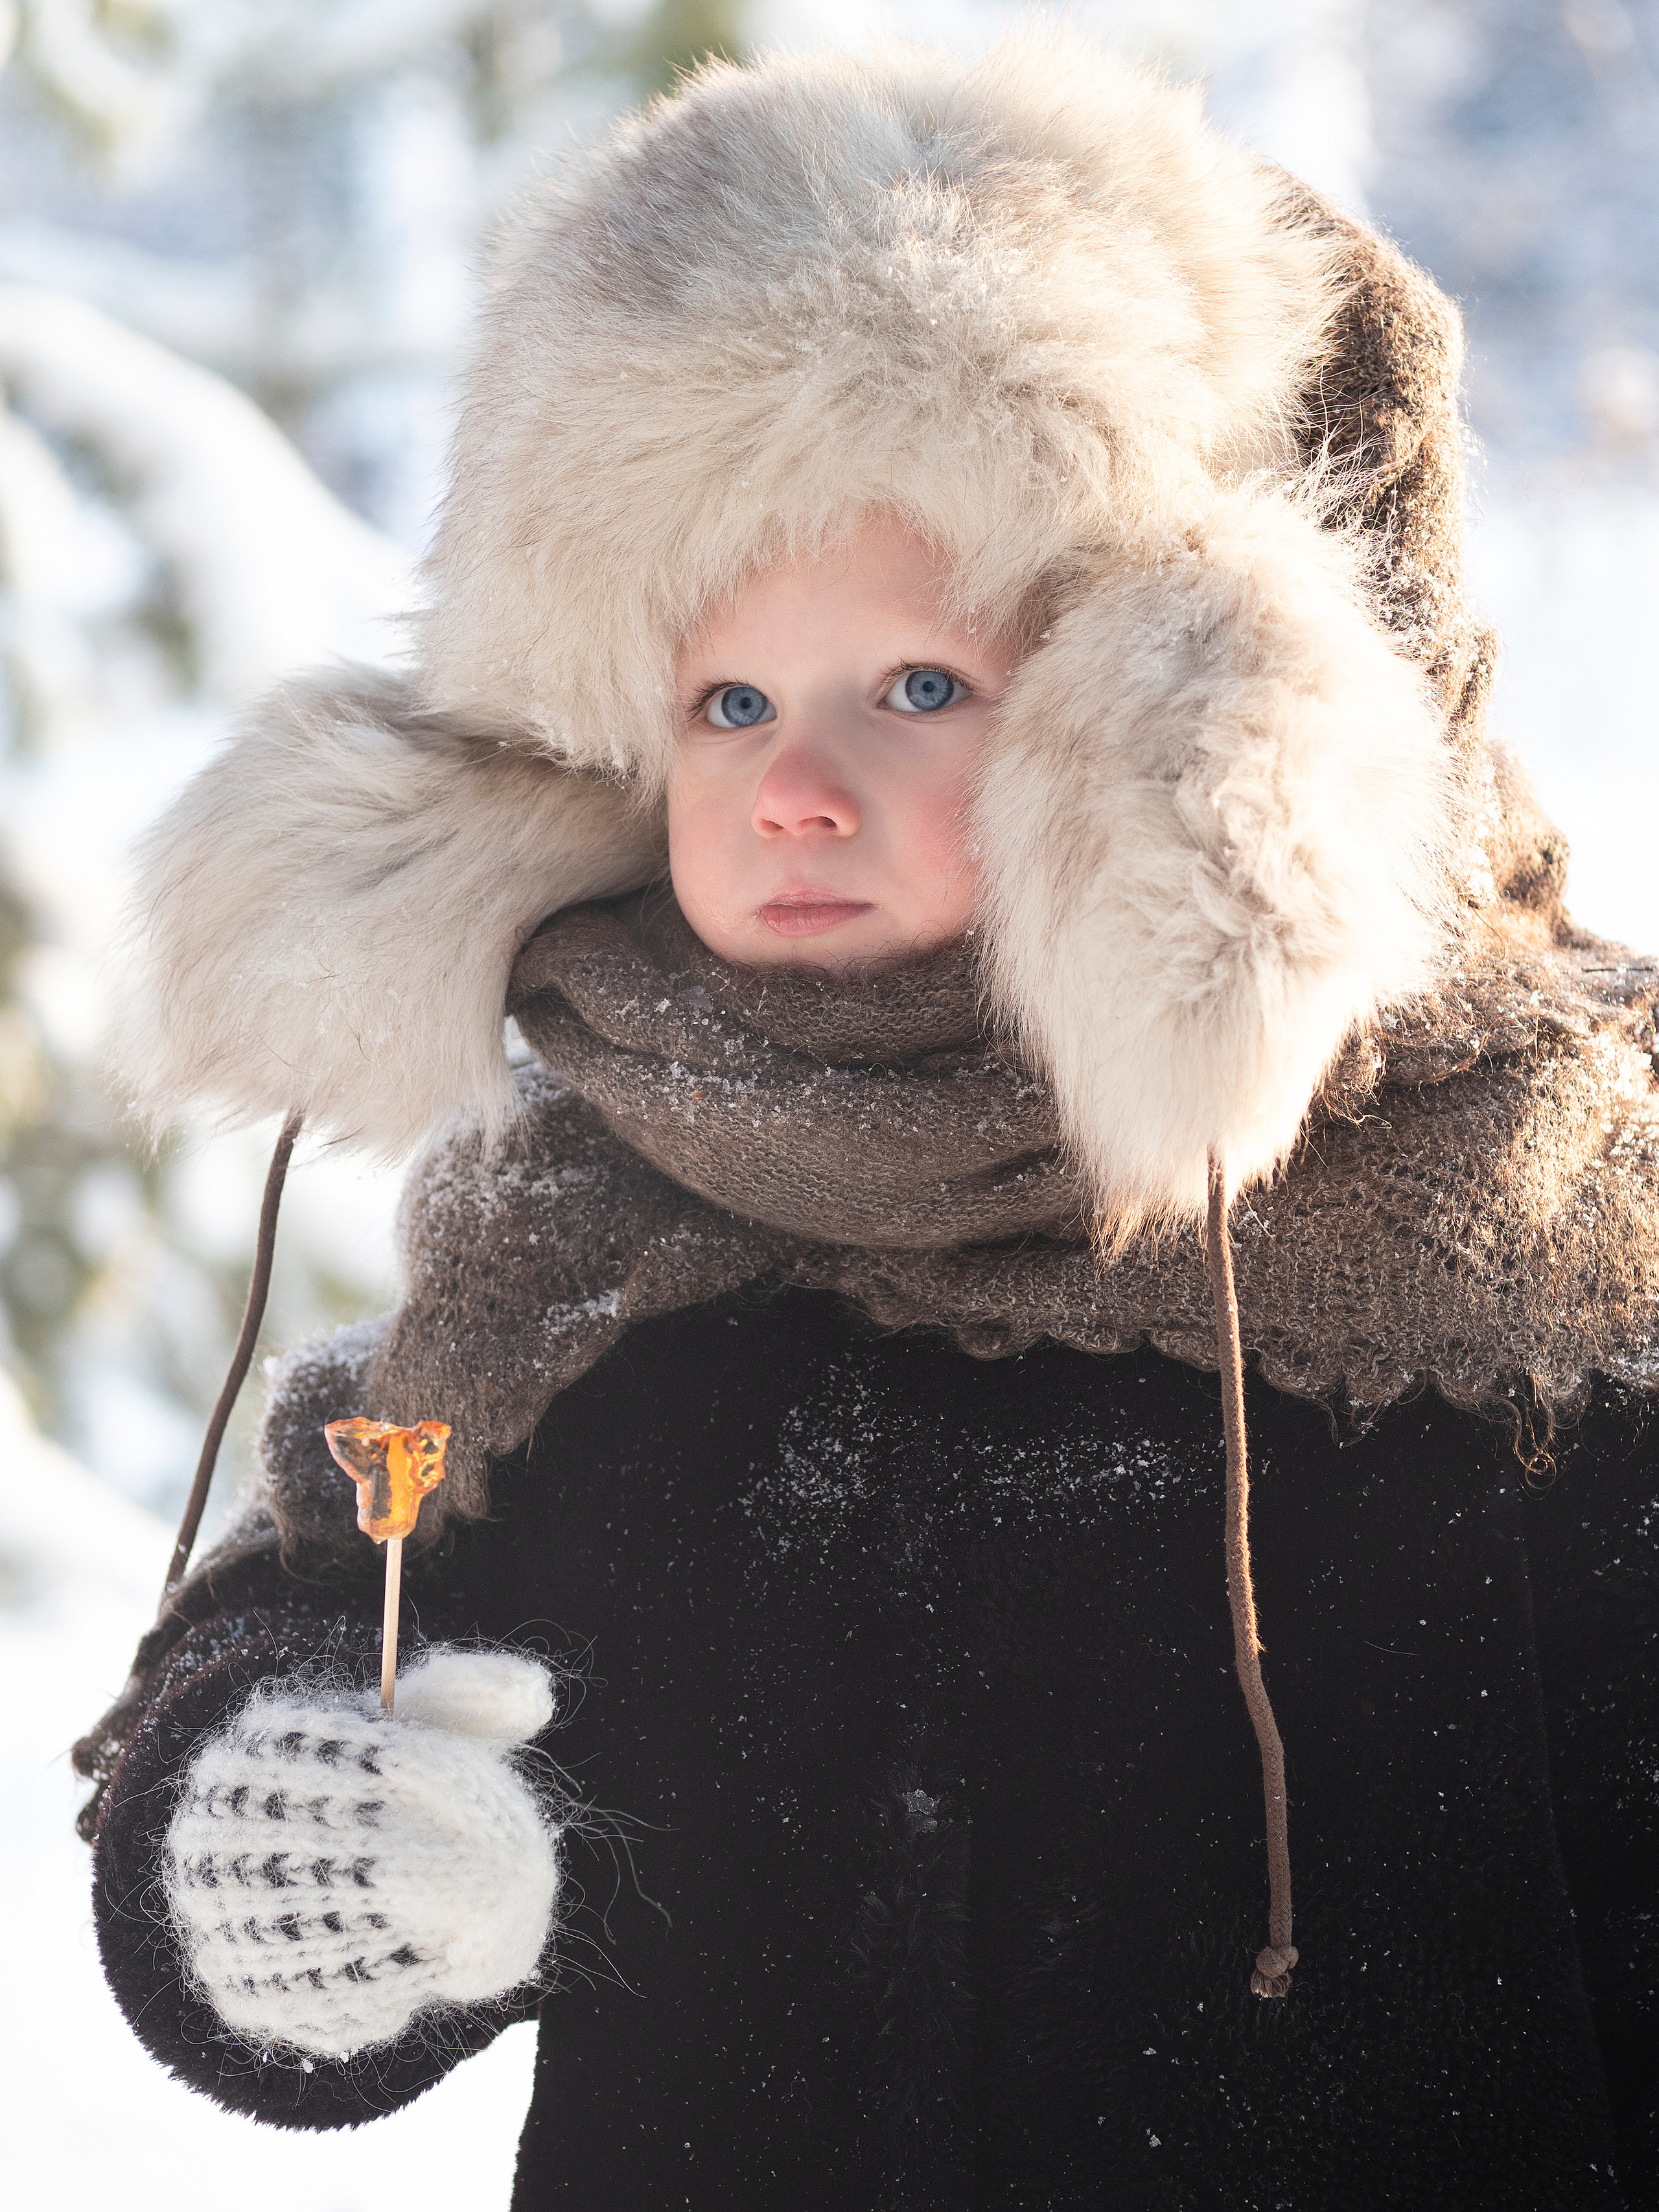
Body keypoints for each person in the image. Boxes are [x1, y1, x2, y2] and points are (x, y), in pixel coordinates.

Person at [76, 32, 1659, 2209]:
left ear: (1187, 714)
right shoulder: (589, 1234)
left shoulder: (1548, 1229)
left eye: (919, 687)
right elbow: (309, 1628)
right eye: (727, 701)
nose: (796, 787)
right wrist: (306, 1853)